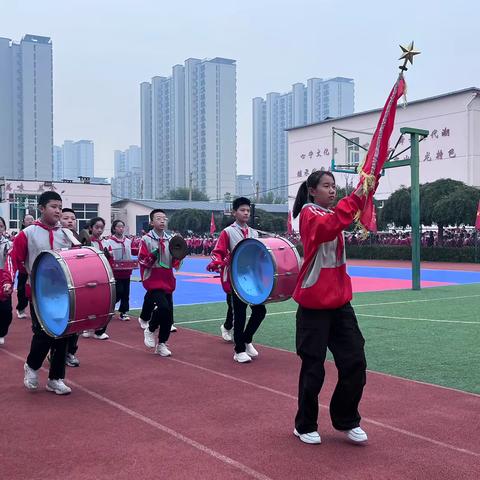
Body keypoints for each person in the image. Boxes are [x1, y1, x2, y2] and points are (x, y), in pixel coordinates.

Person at [291, 170, 368, 445]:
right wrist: (355, 197)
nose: (332, 190)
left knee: (355, 361)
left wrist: (367, 186)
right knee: (314, 368)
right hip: (314, 305)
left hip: (339, 303)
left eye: (334, 186)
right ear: (312, 191)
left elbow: (340, 219)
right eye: (326, 186)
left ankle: (346, 418)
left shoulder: (331, 213)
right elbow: (331, 225)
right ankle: (305, 424)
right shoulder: (309, 215)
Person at [4, 191, 75, 394]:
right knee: (44, 333)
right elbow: (14, 259)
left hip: (63, 292)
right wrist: (9, 281)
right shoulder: (28, 234)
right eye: (54, 206)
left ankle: (56, 378)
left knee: (63, 334)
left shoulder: (67, 234)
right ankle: (32, 366)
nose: (58, 211)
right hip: (37, 292)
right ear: (41, 208)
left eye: (60, 207)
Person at [207, 197, 266, 363]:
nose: (246, 213)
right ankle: (239, 350)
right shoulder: (228, 232)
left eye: (248, 210)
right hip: (237, 278)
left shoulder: (254, 233)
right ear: (234, 212)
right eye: (242, 210)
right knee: (239, 315)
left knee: (260, 311)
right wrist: (217, 262)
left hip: (253, 279)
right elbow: (217, 251)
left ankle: (247, 339)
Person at [139, 209, 180, 356]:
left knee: (169, 315)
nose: (162, 221)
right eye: (158, 218)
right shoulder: (146, 239)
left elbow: (174, 263)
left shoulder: (171, 240)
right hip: (153, 280)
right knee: (163, 307)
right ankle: (150, 329)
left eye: (164, 218)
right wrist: (153, 256)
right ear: (151, 222)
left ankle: (162, 344)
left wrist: (179, 256)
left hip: (168, 280)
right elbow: (143, 261)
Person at [58, 208, 81, 367]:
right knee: (61, 323)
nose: (70, 221)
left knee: (76, 323)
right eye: (65, 218)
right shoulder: (56, 238)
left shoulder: (78, 239)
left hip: (77, 285)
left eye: (73, 218)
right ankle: (56, 354)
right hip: (58, 287)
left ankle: (70, 352)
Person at [81, 216, 110, 340]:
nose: (99, 230)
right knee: (89, 303)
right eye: (97, 227)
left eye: (102, 228)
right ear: (90, 228)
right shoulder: (86, 242)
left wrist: (108, 256)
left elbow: (109, 260)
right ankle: (87, 327)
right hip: (89, 276)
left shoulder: (105, 242)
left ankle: (99, 330)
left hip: (103, 276)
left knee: (103, 303)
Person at [106, 220, 137, 321]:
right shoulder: (109, 241)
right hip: (115, 271)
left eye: (122, 226)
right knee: (118, 292)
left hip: (126, 270)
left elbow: (133, 251)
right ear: (114, 228)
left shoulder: (128, 241)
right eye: (119, 226)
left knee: (126, 292)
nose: (121, 228)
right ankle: (108, 307)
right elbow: (106, 255)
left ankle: (123, 312)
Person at [16, 214, 35, 318]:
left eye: (32, 219)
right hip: (23, 269)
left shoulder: (36, 234)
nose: (30, 221)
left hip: (34, 268)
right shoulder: (20, 236)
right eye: (28, 220)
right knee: (22, 290)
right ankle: (21, 308)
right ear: (23, 223)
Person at [0, 217, 13, 345]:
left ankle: (2, 332)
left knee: (5, 311)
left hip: (3, 279)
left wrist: (8, 281)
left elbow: (10, 265)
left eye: (1, 226)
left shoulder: (9, 245)